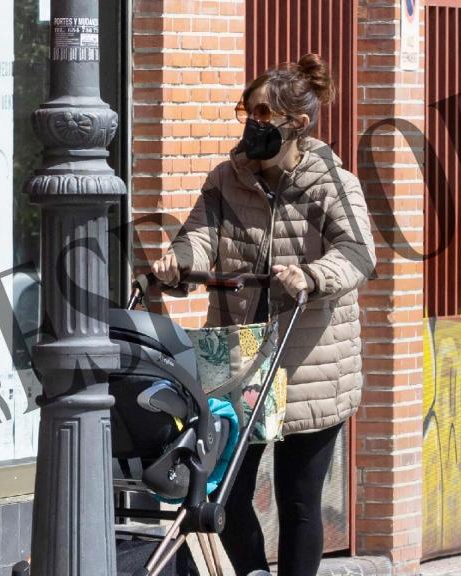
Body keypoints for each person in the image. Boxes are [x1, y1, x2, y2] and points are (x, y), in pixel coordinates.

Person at [152, 53, 375, 576]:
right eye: (245, 111)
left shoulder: (330, 182)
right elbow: (200, 238)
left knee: (299, 499)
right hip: (238, 358)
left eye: (262, 115)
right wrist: (178, 262)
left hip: (309, 363)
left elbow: (358, 253)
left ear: (296, 124)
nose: (251, 124)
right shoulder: (226, 180)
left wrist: (313, 275)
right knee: (224, 492)